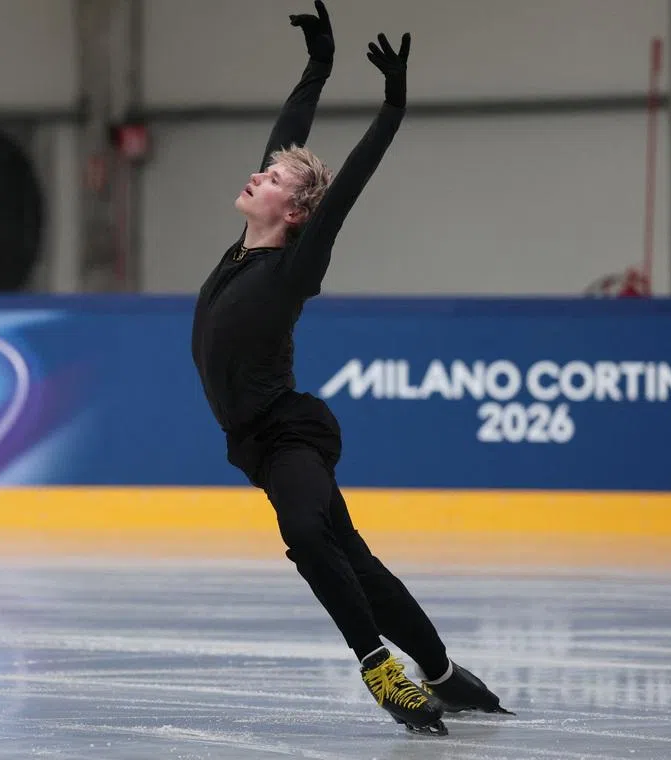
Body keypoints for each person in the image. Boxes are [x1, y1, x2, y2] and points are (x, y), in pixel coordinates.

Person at [190, 1, 512, 736]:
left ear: (297, 212)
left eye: (273, 180)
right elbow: (289, 138)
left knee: (307, 535)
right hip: (253, 440)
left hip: (288, 436)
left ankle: (379, 668)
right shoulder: (241, 248)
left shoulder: (294, 266)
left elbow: (345, 190)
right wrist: (318, 68)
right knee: (353, 560)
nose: (259, 173)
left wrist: (391, 109)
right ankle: (442, 673)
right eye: (265, 171)